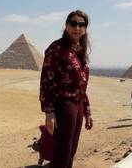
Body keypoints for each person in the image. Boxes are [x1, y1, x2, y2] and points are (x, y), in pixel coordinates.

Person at [39, 10, 93, 168]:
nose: (77, 27)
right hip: (64, 104)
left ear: (85, 29)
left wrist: (87, 109)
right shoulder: (56, 48)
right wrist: (49, 112)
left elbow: (81, 84)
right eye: (73, 23)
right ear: (66, 25)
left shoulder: (79, 51)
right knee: (62, 152)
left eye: (81, 25)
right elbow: (46, 80)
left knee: (71, 152)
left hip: (78, 105)